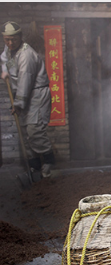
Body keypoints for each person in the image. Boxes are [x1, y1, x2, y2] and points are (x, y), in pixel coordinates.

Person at [2, 21, 55, 179]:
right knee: (26, 131)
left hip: (36, 94)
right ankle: (35, 167)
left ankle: (48, 164)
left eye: (13, 39)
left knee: (34, 130)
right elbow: (5, 59)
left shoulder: (26, 54)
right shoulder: (11, 50)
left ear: (20, 37)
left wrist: (18, 104)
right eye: (7, 39)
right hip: (25, 95)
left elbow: (25, 80)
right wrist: (4, 71)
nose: (10, 43)